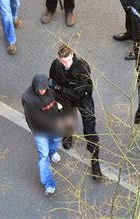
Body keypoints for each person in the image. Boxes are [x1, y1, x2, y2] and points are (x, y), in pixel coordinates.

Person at [48, 44, 103, 180]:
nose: (65, 63)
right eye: (63, 60)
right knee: (66, 119)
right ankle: (68, 136)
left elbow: (77, 92)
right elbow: (52, 81)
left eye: (67, 59)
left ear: (72, 54)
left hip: (83, 98)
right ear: (58, 58)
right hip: (65, 98)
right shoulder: (56, 65)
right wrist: (56, 97)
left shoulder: (82, 67)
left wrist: (58, 88)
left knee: (90, 130)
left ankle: (95, 161)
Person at [21, 74, 65, 195]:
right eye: (39, 89)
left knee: (55, 140)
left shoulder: (49, 89)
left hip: (53, 124)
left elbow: (56, 100)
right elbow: (37, 119)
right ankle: (48, 183)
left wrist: (58, 108)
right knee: (43, 156)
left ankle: (53, 152)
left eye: (44, 88)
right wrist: (57, 111)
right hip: (40, 130)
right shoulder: (28, 99)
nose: (42, 91)